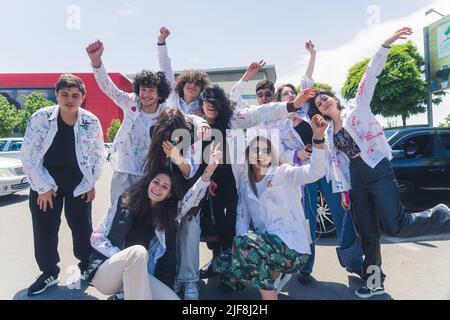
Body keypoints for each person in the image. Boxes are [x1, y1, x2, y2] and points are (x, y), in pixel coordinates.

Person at [307, 27, 450, 298]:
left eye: (324, 97)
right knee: (368, 234)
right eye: (318, 104)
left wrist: (385, 45)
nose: (322, 102)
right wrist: (345, 192)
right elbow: (334, 166)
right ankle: (374, 282)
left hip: (378, 170)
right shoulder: (327, 133)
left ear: (335, 99)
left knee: (395, 225)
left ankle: (441, 215)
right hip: (356, 180)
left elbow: (369, 76)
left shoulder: (358, 108)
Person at [230, 44, 364, 285]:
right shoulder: (277, 126)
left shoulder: (308, 116)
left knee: (342, 216)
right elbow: (278, 153)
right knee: (308, 220)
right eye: (285, 97)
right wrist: (298, 153)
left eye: (293, 95)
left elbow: (307, 81)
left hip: (330, 173)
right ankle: (305, 267)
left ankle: (356, 263)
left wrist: (312, 55)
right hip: (303, 175)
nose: (290, 99)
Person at [170, 83, 316, 300]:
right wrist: (200, 123)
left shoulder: (233, 119)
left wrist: (291, 105)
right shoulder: (196, 121)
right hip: (211, 178)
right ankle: (222, 261)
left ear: (221, 103)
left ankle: (243, 264)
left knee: (233, 222)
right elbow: (185, 119)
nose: (210, 105)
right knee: (216, 221)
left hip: (237, 178)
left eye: (214, 100)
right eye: (206, 100)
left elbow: (261, 112)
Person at [211, 114, 329, 300]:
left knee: (244, 245)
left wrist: (318, 139)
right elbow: (242, 218)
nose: (259, 154)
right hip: (267, 247)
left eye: (265, 150)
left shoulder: (283, 173)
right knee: (223, 264)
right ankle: (271, 275)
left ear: (271, 154)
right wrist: (237, 252)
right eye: (254, 150)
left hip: (293, 247)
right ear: (248, 156)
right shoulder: (245, 183)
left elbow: (314, 172)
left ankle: (269, 296)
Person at [86, 144, 222, 300]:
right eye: (156, 182)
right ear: (149, 182)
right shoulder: (124, 202)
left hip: (137, 275)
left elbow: (191, 199)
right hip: (108, 273)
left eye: (165, 187)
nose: (158, 188)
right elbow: (97, 237)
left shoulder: (166, 216)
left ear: (169, 195)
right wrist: (122, 257)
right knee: (138, 253)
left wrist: (209, 170)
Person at [86, 40, 210, 204]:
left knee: (144, 220)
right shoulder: (131, 103)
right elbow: (109, 88)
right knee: (118, 217)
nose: (146, 95)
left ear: (160, 94)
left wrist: (201, 123)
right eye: (143, 90)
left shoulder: (165, 111)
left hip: (150, 175)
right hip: (124, 171)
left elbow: (187, 116)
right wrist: (96, 61)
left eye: (152, 91)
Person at [21, 74, 105, 296]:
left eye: (75, 95)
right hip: (46, 178)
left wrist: (90, 182)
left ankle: (86, 264)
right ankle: (49, 270)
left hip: (79, 180)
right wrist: (42, 187)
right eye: (64, 95)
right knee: (45, 227)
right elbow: (28, 155)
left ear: (83, 97)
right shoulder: (40, 118)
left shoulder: (91, 121)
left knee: (81, 226)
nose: (69, 100)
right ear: (56, 95)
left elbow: (98, 154)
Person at [157, 27, 211, 116]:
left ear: (201, 90)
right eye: (189, 82)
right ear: (182, 86)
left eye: (197, 84)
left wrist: (205, 115)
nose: (192, 85)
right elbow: (165, 67)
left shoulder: (205, 107)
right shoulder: (173, 97)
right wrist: (161, 42)